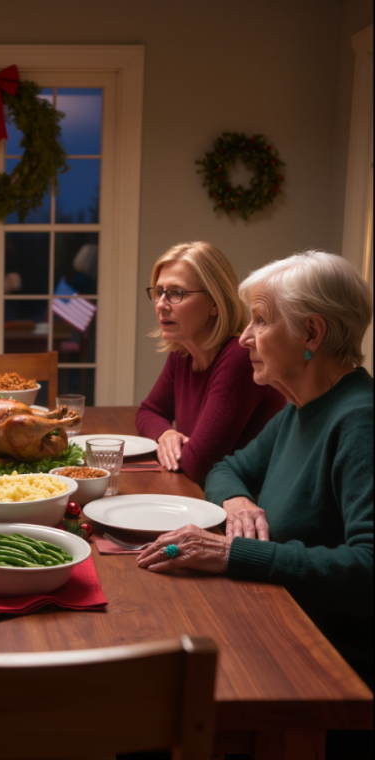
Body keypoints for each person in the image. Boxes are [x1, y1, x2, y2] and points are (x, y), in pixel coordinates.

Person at [136, 251, 373, 697]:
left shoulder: (360, 420)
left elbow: (367, 570)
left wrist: (234, 553)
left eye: (260, 321)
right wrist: (236, 499)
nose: (244, 338)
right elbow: (226, 468)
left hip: (329, 667)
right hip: (277, 619)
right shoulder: (300, 409)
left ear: (312, 332)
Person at [135, 241, 285, 482]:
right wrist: (167, 434)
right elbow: (148, 412)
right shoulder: (182, 354)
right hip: (200, 493)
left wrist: (180, 450)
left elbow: (200, 465)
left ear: (215, 302)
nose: (161, 304)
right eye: (159, 292)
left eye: (176, 293)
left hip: (244, 501)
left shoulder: (240, 358)